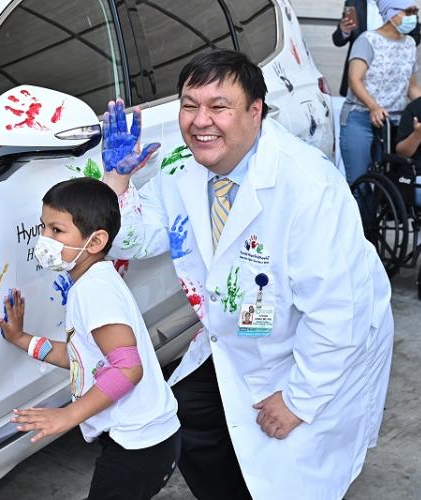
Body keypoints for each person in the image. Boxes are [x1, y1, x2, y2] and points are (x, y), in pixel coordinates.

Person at [101, 49, 394, 500]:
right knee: (189, 424)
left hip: (316, 346)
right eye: (189, 105)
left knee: (292, 473)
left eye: (219, 107)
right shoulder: (183, 168)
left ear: (255, 112)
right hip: (242, 338)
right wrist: (117, 180)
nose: (201, 120)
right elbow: (138, 238)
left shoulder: (306, 186)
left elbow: (339, 312)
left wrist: (298, 400)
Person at [0, 177, 181, 500]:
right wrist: (22, 338)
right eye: (43, 227)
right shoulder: (94, 280)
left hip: (139, 446)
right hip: (145, 443)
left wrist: (67, 415)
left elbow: (128, 369)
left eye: (57, 231)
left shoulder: (93, 291)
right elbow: (79, 358)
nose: (45, 239)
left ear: (95, 242)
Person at [339, 0, 421, 185]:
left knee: (385, 184)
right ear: (391, 14)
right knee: (360, 183)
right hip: (360, 119)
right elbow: (355, 79)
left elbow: (411, 87)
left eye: (414, 12)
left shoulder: (409, 44)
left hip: (392, 124)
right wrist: (373, 106)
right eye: (408, 12)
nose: (413, 17)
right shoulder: (367, 40)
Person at [333, 1, 419, 97]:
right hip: (359, 75)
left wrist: (400, 44)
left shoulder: (400, 3)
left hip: (392, 77)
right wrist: (344, 31)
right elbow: (338, 41)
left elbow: (415, 36)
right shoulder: (353, 2)